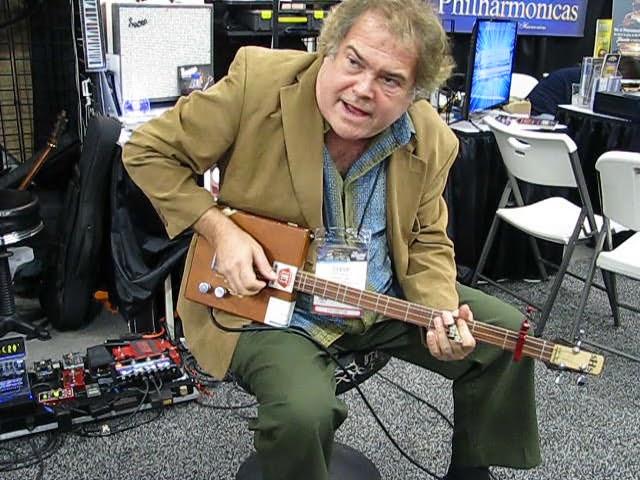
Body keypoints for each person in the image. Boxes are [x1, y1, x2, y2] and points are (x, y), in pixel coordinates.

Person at [122, 1, 541, 479]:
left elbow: (426, 240)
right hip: (273, 307)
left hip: (378, 299)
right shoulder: (257, 83)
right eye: (354, 62)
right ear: (330, 50)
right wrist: (221, 229)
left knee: (506, 337)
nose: (363, 90)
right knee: (303, 412)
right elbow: (148, 152)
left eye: (390, 80)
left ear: (415, 93)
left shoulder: (432, 139)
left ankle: (472, 471)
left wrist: (440, 310)